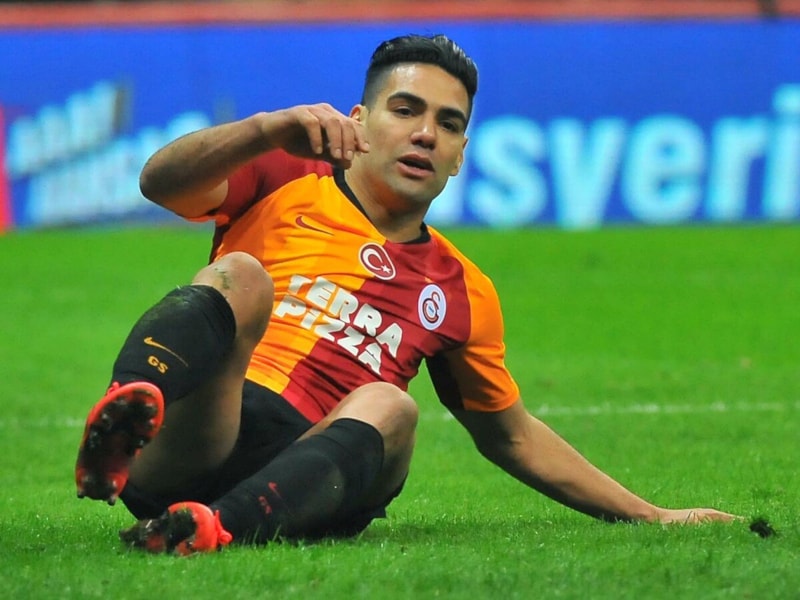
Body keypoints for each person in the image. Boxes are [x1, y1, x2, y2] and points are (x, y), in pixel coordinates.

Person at [74, 33, 737, 555]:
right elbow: (159, 182)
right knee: (240, 273)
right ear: (359, 119)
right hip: (199, 436)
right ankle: (120, 428)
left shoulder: (463, 289)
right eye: (406, 110)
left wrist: (651, 515)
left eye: (448, 124)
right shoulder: (285, 177)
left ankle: (210, 529)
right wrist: (266, 129)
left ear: (460, 154)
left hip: (315, 469)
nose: (425, 133)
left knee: (393, 405)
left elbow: (510, 436)